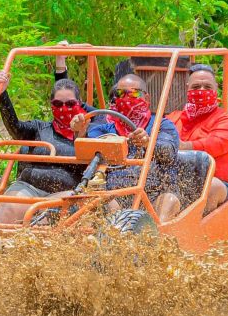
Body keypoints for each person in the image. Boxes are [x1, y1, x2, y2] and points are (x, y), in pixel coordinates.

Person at [0, 70, 94, 224]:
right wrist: (2, 93)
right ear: (51, 105)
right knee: (8, 210)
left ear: (80, 103)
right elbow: (15, 128)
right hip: (29, 188)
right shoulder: (38, 128)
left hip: (65, 193)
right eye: (57, 104)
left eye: (70, 104)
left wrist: (80, 133)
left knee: (50, 214)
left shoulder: (91, 133)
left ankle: (21, 241)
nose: (63, 108)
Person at [72, 74, 182, 220]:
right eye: (120, 94)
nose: (125, 98)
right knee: (103, 202)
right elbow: (86, 152)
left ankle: (159, 240)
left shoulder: (161, 125)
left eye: (133, 93)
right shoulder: (104, 129)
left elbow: (169, 152)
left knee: (169, 200)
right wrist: (79, 132)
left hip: (155, 193)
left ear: (146, 98)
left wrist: (148, 143)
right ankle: (116, 239)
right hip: (116, 194)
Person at [166, 64, 228, 212]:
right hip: (176, 182)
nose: (201, 91)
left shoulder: (226, 121)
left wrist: (183, 146)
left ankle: (200, 233)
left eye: (207, 87)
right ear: (187, 89)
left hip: (218, 183)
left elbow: (216, 144)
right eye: (196, 87)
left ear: (215, 89)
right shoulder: (173, 119)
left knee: (211, 187)